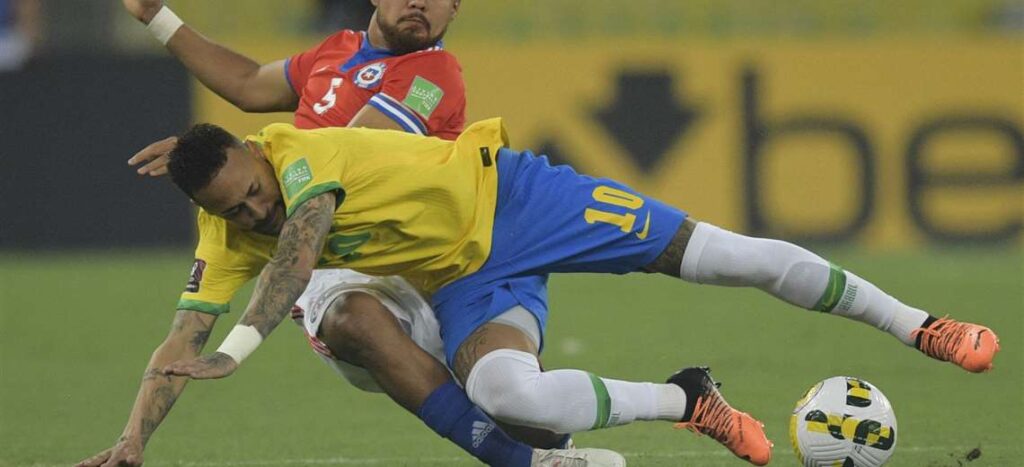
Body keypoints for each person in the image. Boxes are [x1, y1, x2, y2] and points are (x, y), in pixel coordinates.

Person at [157, 118, 1001, 466]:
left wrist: (238, 348)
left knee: (729, 257)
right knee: (508, 396)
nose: (258, 209)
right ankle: (686, 399)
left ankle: (922, 326)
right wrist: (130, 439)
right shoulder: (229, 232)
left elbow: (299, 252)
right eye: (237, 209)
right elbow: (178, 335)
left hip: (525, 201)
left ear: (260, 154)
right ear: (209, 210)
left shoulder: (301, 156)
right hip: (465, 276)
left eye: (257, 189)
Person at [77, 1, 620, 466]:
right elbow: (245, 84)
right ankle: (521, 460)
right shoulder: (333, 53)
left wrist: (220, 156)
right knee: (352, 317)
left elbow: (348, 164)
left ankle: (561, 439)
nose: (421, 6)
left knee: (526, 412)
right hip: (333, 264)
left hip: (420, 252)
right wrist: (156, 16)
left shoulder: (433, 77)